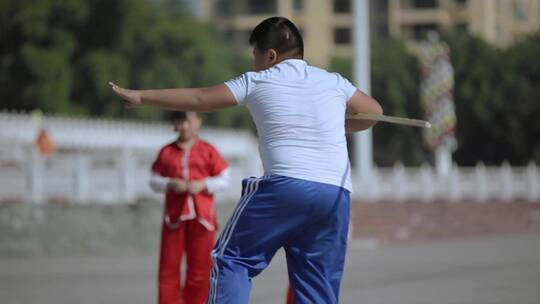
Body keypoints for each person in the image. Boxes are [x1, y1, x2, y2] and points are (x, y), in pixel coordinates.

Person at [111, 16, 382, 304]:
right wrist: (331, 124)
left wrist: (141, 97)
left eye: (255, 55)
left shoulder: (257, 80)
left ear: (271, 55)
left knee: (231, 259)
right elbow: (373, 113)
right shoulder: (333, 81)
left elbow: (201, 99)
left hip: (285, 188)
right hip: (335, 197)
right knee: (318, 284)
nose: (254, 63)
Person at [149, 112, 230, 304]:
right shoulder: (166, 152)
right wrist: (170, 183)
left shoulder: (208, 150)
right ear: (175, 124)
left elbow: (225, 178)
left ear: (198, 122)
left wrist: (203, 184)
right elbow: (153, 180)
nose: (184, 126)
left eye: (188, 121)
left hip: (203, 218)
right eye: (180, 121)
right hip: (174, 218)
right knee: (169, 267)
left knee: (200, 269)